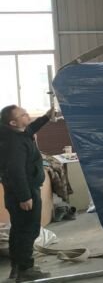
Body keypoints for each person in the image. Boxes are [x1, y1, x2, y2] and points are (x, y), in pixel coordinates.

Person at [0, 105, 55, 281]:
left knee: (18, 230)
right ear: (13, 122)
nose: (27, 115)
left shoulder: (17, 133)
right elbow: (16, 171)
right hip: (24, 192)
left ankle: (17, 268)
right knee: (28, 231)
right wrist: (25, 197)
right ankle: (25, 270)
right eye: (23, 114)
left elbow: (31, 128)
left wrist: (46, 117)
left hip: (21, 191)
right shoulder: (14, 143)